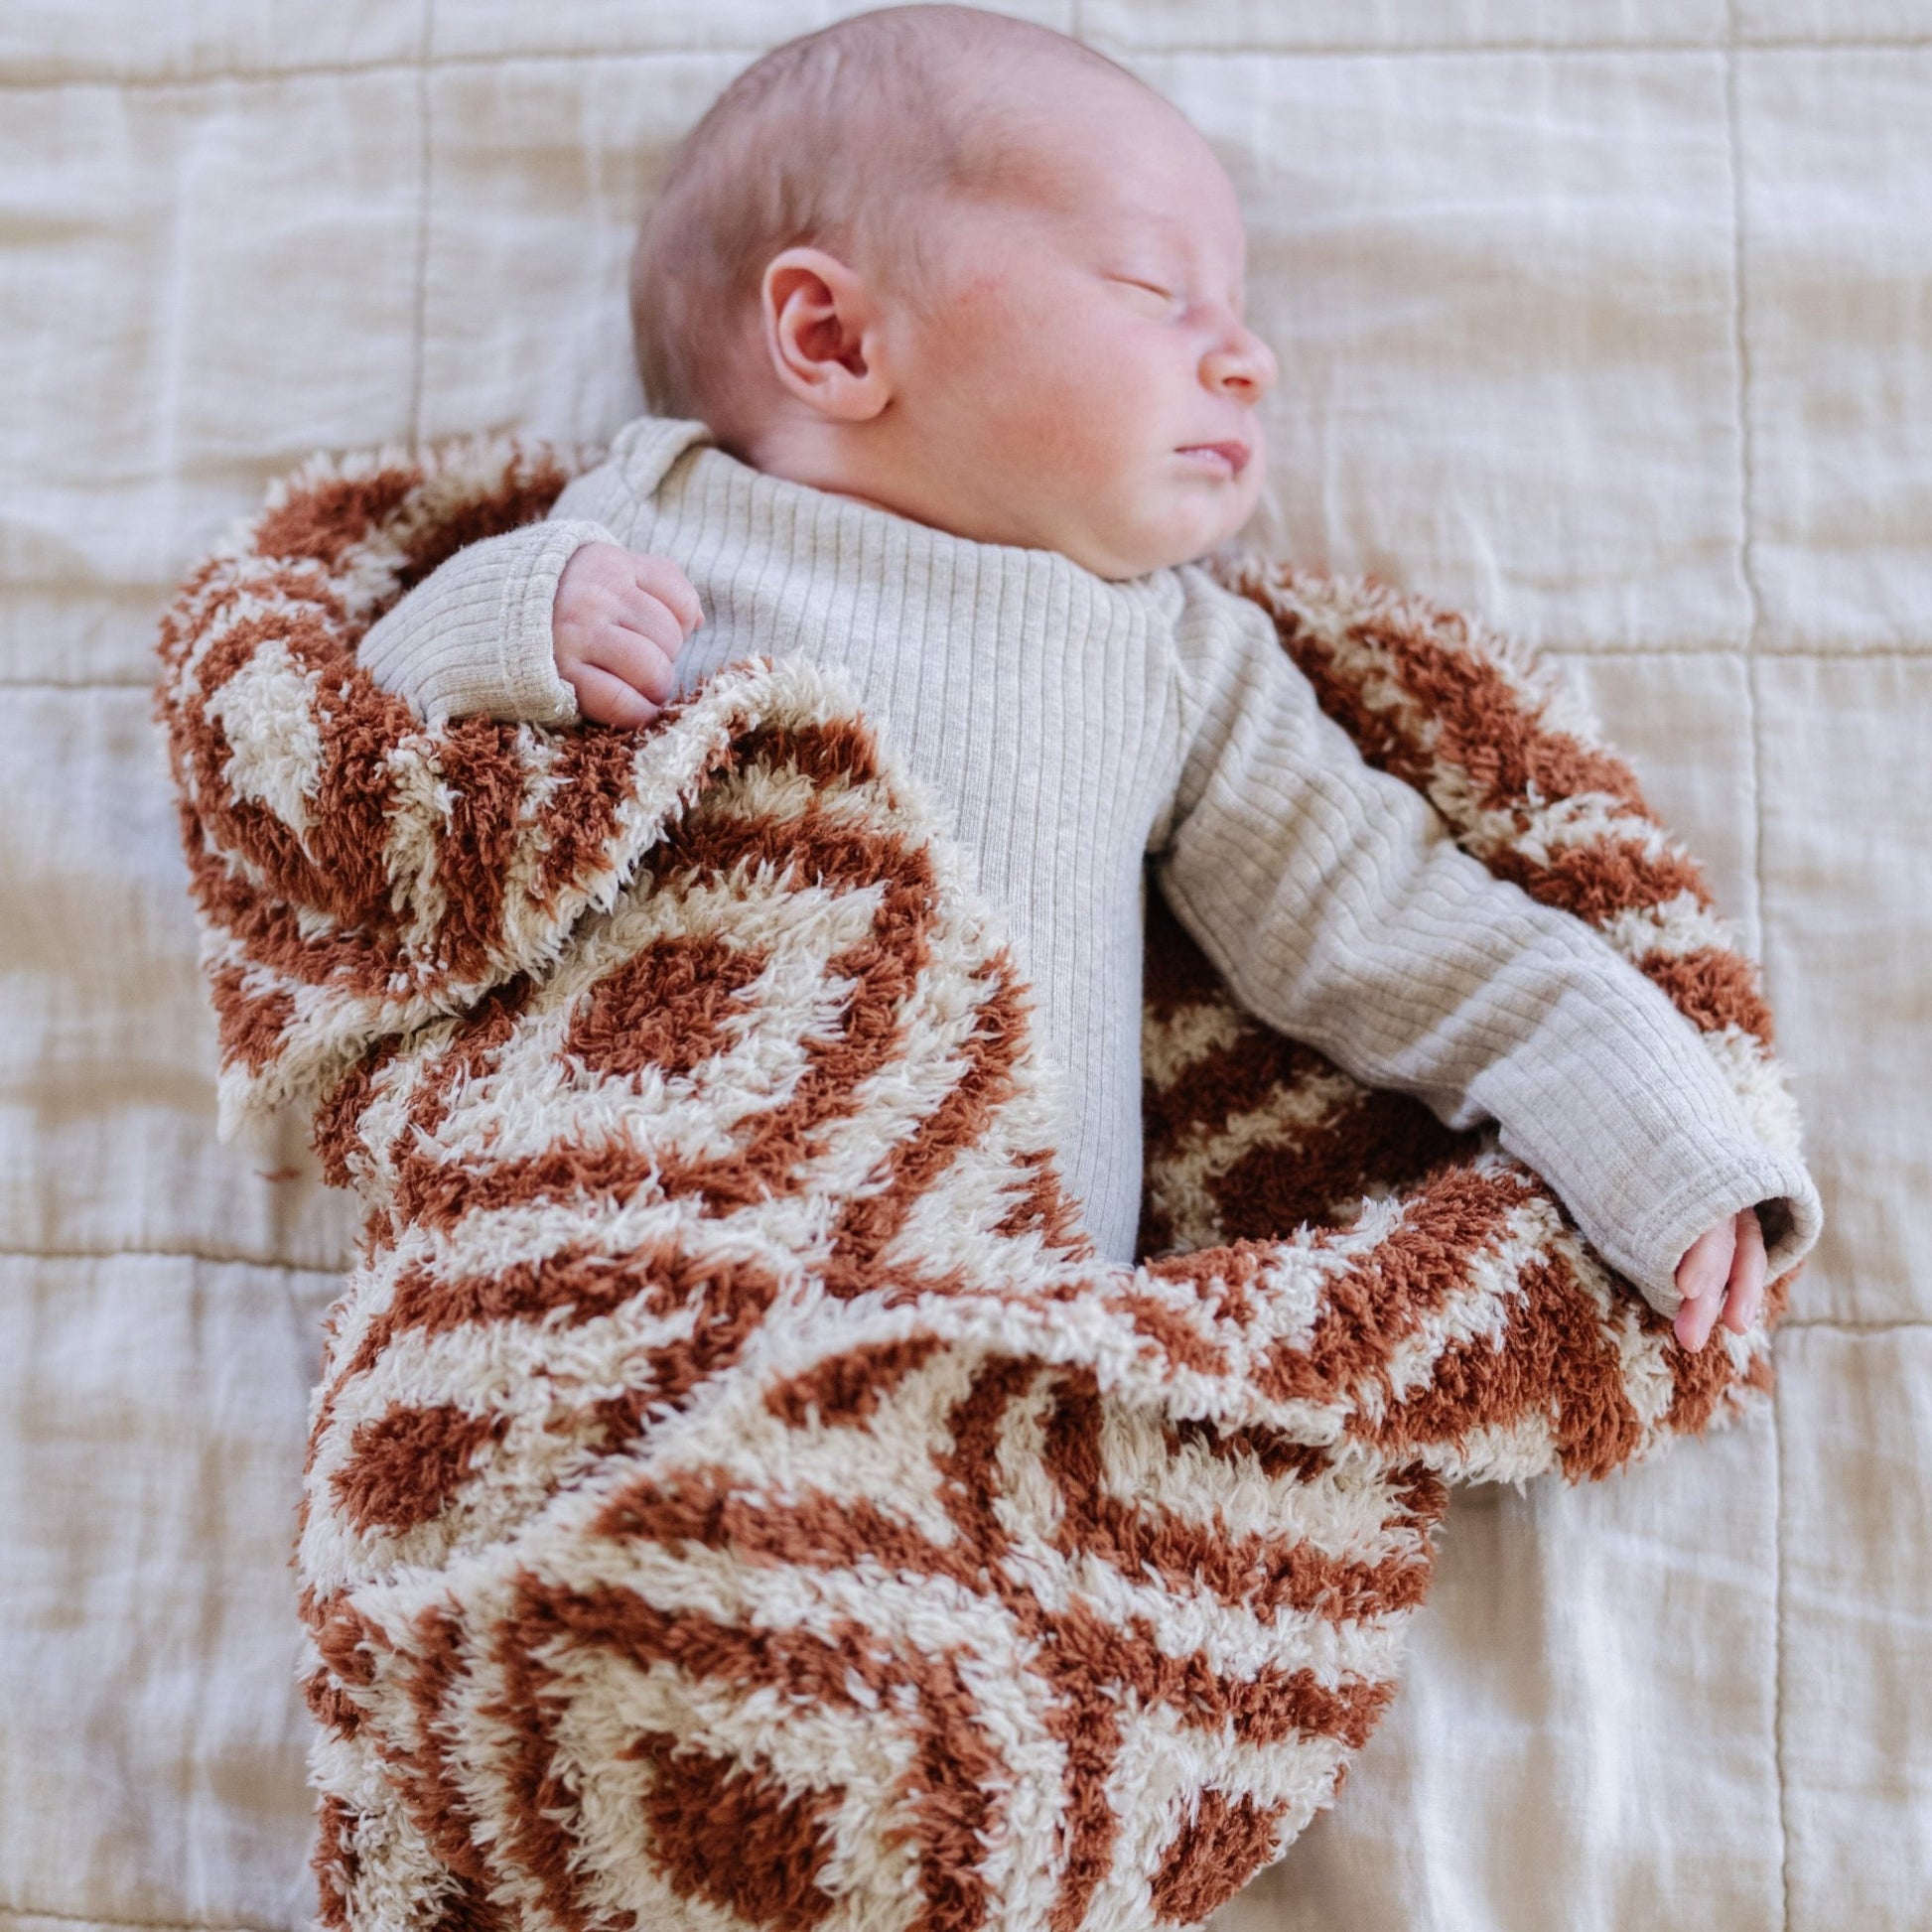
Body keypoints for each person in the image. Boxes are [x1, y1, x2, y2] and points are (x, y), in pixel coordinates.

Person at [358, 4, 1818, 1350]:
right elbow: (351, 776)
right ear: (832, 336)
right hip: (594, 1253)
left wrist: (1660, 1141)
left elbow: (1399, 924)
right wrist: (511, 619)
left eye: (1235, 309)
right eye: (1152, 286)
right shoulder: (650, 519)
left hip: (981, 1339)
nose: (1245, 356)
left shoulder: (1171, 656)